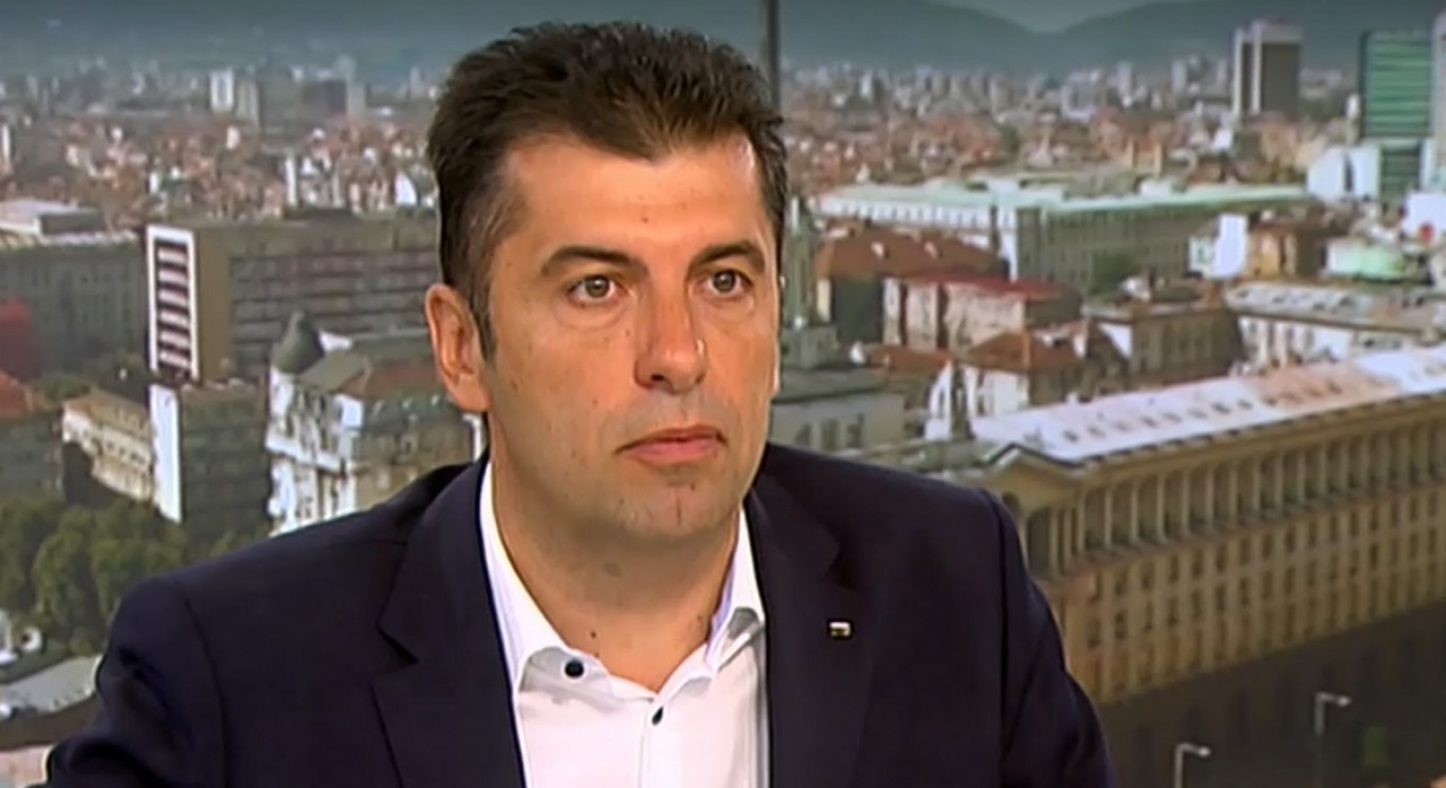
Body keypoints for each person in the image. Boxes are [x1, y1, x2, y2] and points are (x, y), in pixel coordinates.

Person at [40, 21, 1114, 788]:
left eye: (724, 280)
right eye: (598, 288)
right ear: (464, 348)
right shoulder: (229, 683)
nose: (678, 353)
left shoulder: (954, 591)